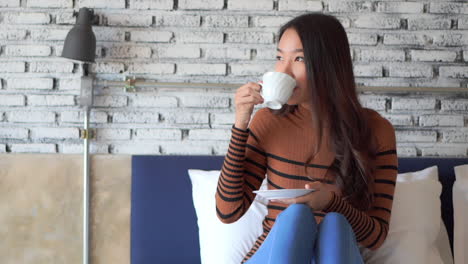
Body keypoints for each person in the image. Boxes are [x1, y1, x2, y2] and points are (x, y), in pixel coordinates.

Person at [215, 13, 398, 264]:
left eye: (299, 58)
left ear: (328, 65)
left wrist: (331, 203)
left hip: (336, 256)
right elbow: (228, 212)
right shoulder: (267, 121)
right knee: (296, 216)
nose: (284, 70)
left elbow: (376, 238)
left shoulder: (376, 130)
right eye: (280, 58)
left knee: (335, 223)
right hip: (274, 256)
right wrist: (241, 123)